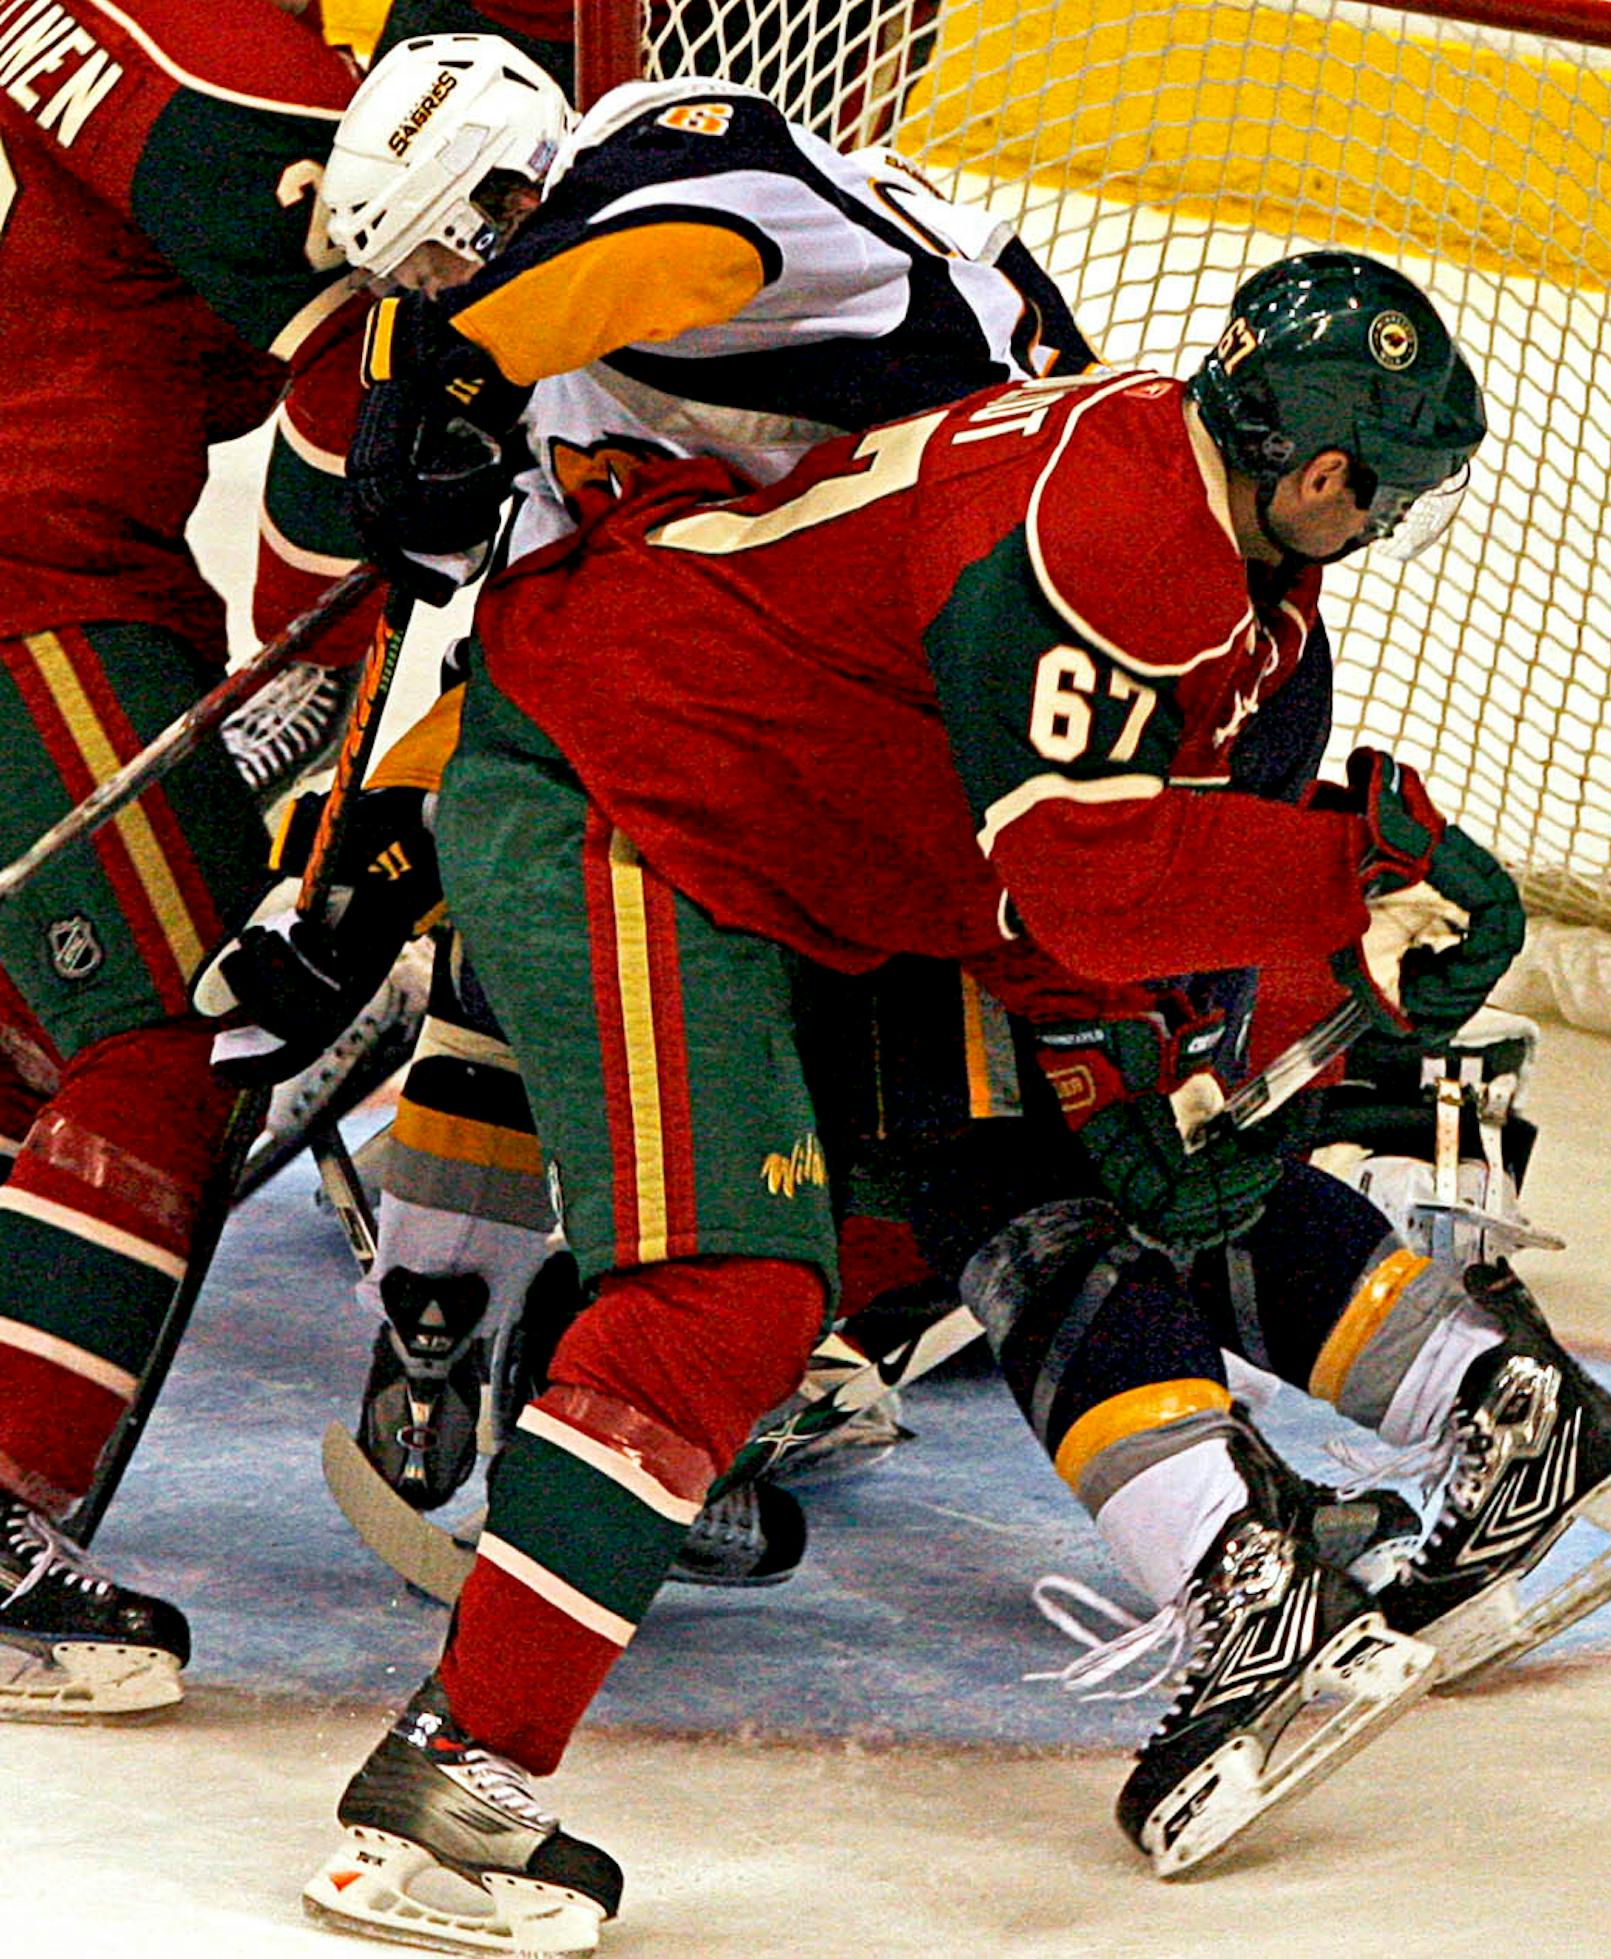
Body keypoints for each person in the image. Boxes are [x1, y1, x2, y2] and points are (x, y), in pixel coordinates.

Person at [296, 246, 1523, 1948]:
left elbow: (1007, 857)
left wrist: (1122, 1067)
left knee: (806, 1266)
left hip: (754, 829)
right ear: (1317, 472)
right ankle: (452, 1792)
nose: (1382, 522)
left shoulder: (1194, 523)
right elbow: (1089, 879)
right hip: (620, 786)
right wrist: (1350, 882)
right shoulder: (1128, 549)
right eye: (1379, 489)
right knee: (729, 1291)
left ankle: (476, 1750)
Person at [192, 30, 1101, 1581]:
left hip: (1014, 694)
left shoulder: (688, 157)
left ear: (505, 195)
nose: (421, 304)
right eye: (405, 286)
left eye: (433, 264)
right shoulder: (552, 398)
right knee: (527, 884)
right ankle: (444, 1330)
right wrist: (343, 888)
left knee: (942, 1122)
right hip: (818, 716)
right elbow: (544, 693)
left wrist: (457, 364)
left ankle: (745, 1379)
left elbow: (666, 253)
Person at [0, 0, 380, 1720]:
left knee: (28, 1051)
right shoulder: (230, 60)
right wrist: (310, 664)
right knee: (181, 1021)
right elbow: (361, 373)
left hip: (65, 555)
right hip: (40, 581)